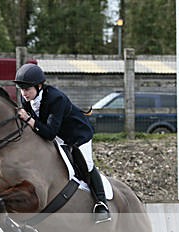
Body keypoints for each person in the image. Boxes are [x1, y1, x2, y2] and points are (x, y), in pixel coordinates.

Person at [13, 63, 111, 223]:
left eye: (27, 89)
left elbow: (50, 133)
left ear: (39, 86)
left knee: (86, 164)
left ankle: (102, 205)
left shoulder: (55, 98)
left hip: (77, 135)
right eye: (21, 89)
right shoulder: (27, 99)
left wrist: (29, 119)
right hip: (57, 135)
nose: (24, 93)